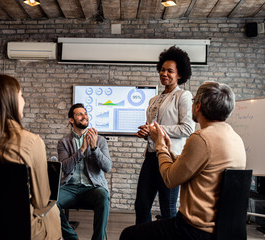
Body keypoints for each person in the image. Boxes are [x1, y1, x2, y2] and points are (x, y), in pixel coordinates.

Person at [120, 82, 247, 240]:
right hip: (225, 229)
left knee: (129, 235)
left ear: (198, 106)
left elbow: (170, 179)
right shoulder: (235, 137)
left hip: (195, 230)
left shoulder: (201, 137)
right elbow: (195, 164)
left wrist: (159, 144)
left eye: (194, 101)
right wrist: (167, 149)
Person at [0, 74, 61, 240]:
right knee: (53, 211)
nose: (24, 101)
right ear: (10, 100)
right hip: (20, 230)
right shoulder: (31, 142)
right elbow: (42, 201)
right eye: (21, 95)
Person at [134, 46, 195, 224]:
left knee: (167, 209)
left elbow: (187, 128)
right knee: (141, 205)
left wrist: (156, 129)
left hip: (170, 158)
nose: (164, 73)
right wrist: (146, 133)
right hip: (151, 157)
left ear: (179, 75)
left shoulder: (183, 96)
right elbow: (153, 130)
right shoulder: (153, 99)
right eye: (162, 69)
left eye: (170, 71)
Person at [57, 103, 112, 240]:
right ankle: (71, 237)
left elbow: (107, 167)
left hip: (92, 188)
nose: (84, 116)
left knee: (103, 197)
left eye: (85, 113)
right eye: (79, 114)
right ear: (71, 120)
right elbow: (65, 167)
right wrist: (81, 150)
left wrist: (94, 149)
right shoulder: (63, 142)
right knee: (51, 202)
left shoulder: (100, 140)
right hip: (70, 187)